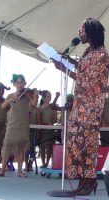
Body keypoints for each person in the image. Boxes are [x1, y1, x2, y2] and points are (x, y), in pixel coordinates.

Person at [51, 18, 109, 195]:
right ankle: (84, 181)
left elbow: (90, 82)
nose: (79, 34)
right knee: (77, 141)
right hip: (81, 104)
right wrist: (71, 62)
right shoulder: (88, 51)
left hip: (91, 106)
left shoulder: (101, 54)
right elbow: (85, 70)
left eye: (81, 31)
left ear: (90, 33)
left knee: (87, 143)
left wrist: (64, 68)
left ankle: (89, 181)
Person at [0, 74, 38, 177]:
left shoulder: (28, 95)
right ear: (14, 84)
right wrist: (8, 100)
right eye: (17, 82)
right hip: (12, 124)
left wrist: (35, 95)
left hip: (23, 124)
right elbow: (2, 106)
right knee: (7, 145)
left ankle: (19, 171)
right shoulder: (11, 95)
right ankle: (2, 170)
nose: (20, 84)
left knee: (21, 148)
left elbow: (34, 104)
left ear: (25, 83)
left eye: (21, 82)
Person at [38, 91, 59, 168]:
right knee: (42, 147)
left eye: (50, 96)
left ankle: (47, 162)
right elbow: (38, 119)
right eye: (47, 96)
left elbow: (55, 119)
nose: (49, 98)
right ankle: (43, 163)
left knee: (49, 146)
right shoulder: (40, 108)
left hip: (50, 129)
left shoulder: (53, 107)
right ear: (43, 97)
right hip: (42, 128)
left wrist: (51, 122)